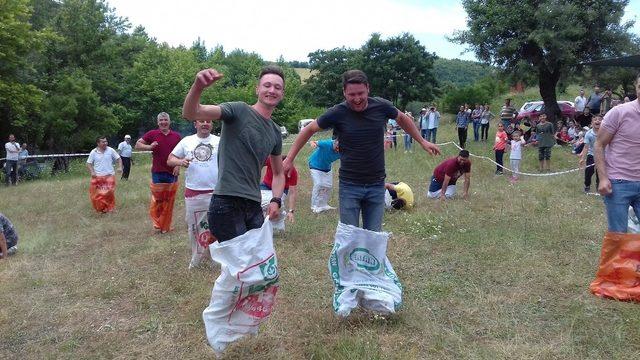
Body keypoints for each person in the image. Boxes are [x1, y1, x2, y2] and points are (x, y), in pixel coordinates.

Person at [283, 69, 440, 231]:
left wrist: (422, 141)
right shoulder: (338, 112)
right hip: (349, 186)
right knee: (349, 235)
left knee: (373, 235)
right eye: (352, 95)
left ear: (368, 89)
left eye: (361, 93)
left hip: (377, 184)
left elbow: (401, 118)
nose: (357, 99)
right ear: (344, 92)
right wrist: (289, 159)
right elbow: (309, 129)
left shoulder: (381, 106)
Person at [182, 66, 285, 242]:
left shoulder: (275, 132)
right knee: (238, 265)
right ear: (257, 89)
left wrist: (276, 200)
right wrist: (198, 86)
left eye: (277, 87)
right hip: (226, 201)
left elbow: (278, 173)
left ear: (282, 93)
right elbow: (191, 112)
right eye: (267, 85)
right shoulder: (238, 110)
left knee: (255, 262)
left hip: (253, 202)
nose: (272, 90)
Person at [167, 118, 220, 269]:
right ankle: (197, 260)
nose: (205, 124)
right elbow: (170, 159)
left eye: (208, 121)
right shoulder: (186, 141)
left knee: (217, 227)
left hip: (217, 192)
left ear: (212, 125)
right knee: (195, 228)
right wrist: (180, 162)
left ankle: (216, 260)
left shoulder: (220, 141)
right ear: (195, 124)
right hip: (193, 192)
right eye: (201, 121)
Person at [595, 74, 640, 233]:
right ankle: (617, 259)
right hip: (618, 182)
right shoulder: (619, 112)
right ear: (636, 87)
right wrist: (603, 178)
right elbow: (599, 145)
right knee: (618, 235)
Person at [135, 112, 182, 233]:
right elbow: (137, 145)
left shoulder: (176, 136)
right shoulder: (152, 134)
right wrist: (149, 147)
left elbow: (182, 153)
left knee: (169, 201)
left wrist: (178, 165)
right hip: (158, 172)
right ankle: (158, 225)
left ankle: (166, 225)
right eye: (161, 120)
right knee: (158, 200)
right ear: (158, 122)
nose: (163, 122)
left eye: (165, 120)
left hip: (172, 173)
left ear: (169, 121)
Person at [86, 136, 123, 213]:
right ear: (98, 143)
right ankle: (100, 209)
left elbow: (118, 158)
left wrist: (120, 167)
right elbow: (88, 163)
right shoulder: (94, 152)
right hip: (98, 177)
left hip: (109, 176)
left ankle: (110, 209)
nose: (105, 143)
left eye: (106, 141)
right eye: (103, 142)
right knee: (97, 195)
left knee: (109, 193)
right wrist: (92, 172)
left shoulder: (110, 150)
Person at [261, 155, 298, 224]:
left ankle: (278, 220)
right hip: (266, 185)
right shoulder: (271, 161)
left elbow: (293, 192)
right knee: (259, 202)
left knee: (275, 204)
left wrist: (291, 211)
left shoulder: (292, 172)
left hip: (283, 189)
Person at [308, 138, 340, 213]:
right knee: (318, 184)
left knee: (328, 186)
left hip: (326, 167)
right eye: (337, 147)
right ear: (335, 142)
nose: (337, 150)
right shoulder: (327, 144)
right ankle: (314, 206)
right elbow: (313, 141)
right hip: (315, 165)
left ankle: (323, 205)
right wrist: (313, 144)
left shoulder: (345, 150)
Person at [579, 115, 601, 193]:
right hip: (591, 155)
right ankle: (587, 185)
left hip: (602, 156)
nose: (597, 121)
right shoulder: (589, 133)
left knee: (600, 172)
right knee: (589, 171)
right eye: (595, 120)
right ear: (592, 123)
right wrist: (582, 158)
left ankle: (599, 187)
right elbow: (586, 147)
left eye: (599, 119)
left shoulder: (605, 132)